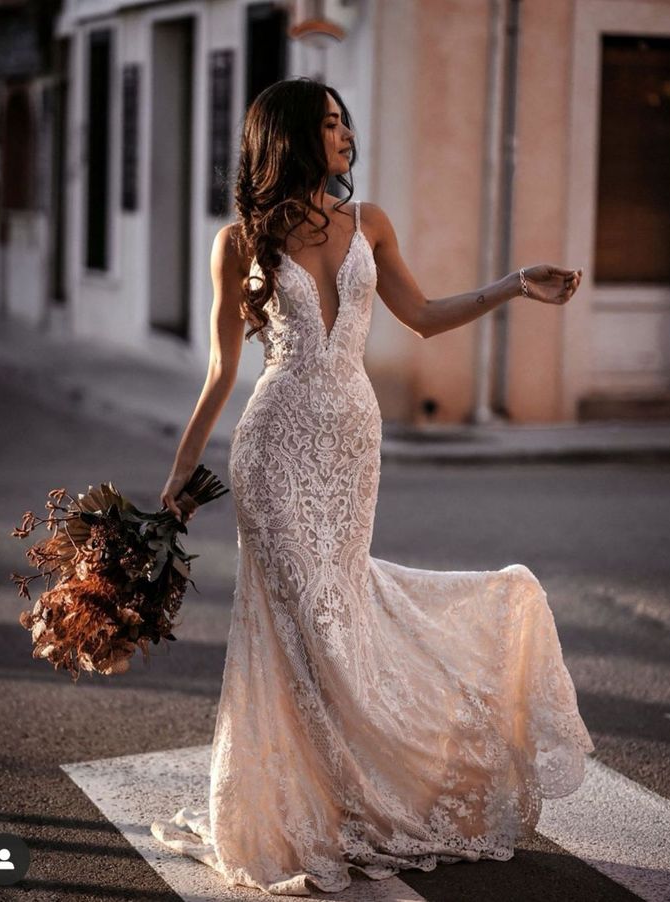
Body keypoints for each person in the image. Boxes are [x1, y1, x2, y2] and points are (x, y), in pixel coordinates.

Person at [151, 76, 594, 896]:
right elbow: (221, 369)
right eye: (328, 123)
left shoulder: (370, 224)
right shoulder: (238, 242)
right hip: (274, 446)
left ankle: (358, 794)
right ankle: (305, 808)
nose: (345, 133)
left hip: (352, 443)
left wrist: (511, 286)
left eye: (346, 120)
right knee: (299, 622)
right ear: (288, 135)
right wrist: (181, 469)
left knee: (340, 608)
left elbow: (422, 316)